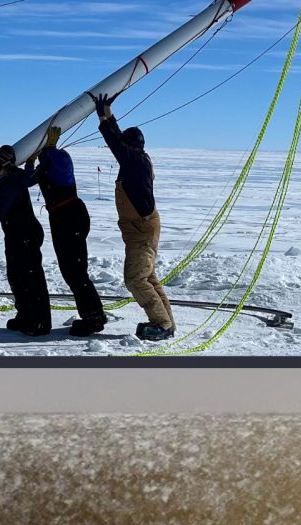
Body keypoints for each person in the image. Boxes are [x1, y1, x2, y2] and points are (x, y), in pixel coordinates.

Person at [91, 92, 176, 341]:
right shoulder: (136, 159)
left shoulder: (134, 162)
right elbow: (119, 139)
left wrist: (102, 116)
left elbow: (114, 141)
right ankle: (166, 323)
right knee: (147, 277)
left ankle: (161, 324)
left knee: (135, 279)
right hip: (140, 229)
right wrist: (107, 111)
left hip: (141, 229)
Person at [27, 126, 106, 336]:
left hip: (69, 217)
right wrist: (31, 161)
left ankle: (94, 318)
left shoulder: (60, 160)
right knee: (71, 270)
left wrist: (49, 150)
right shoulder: (47, 166)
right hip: (63, 217)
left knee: (75, 271)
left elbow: (56, 164)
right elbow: (29, 179)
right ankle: (93, 314)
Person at [0, 144, 51, 336]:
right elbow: (30, 177)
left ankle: (39, 323)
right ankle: (25, 315)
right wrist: (30, 163)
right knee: (17, 277)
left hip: (23, 235)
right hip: (18, 235)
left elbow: (1, 209)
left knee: (30, 279)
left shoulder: (10, 182)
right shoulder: (18, 176)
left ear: (4, 165)